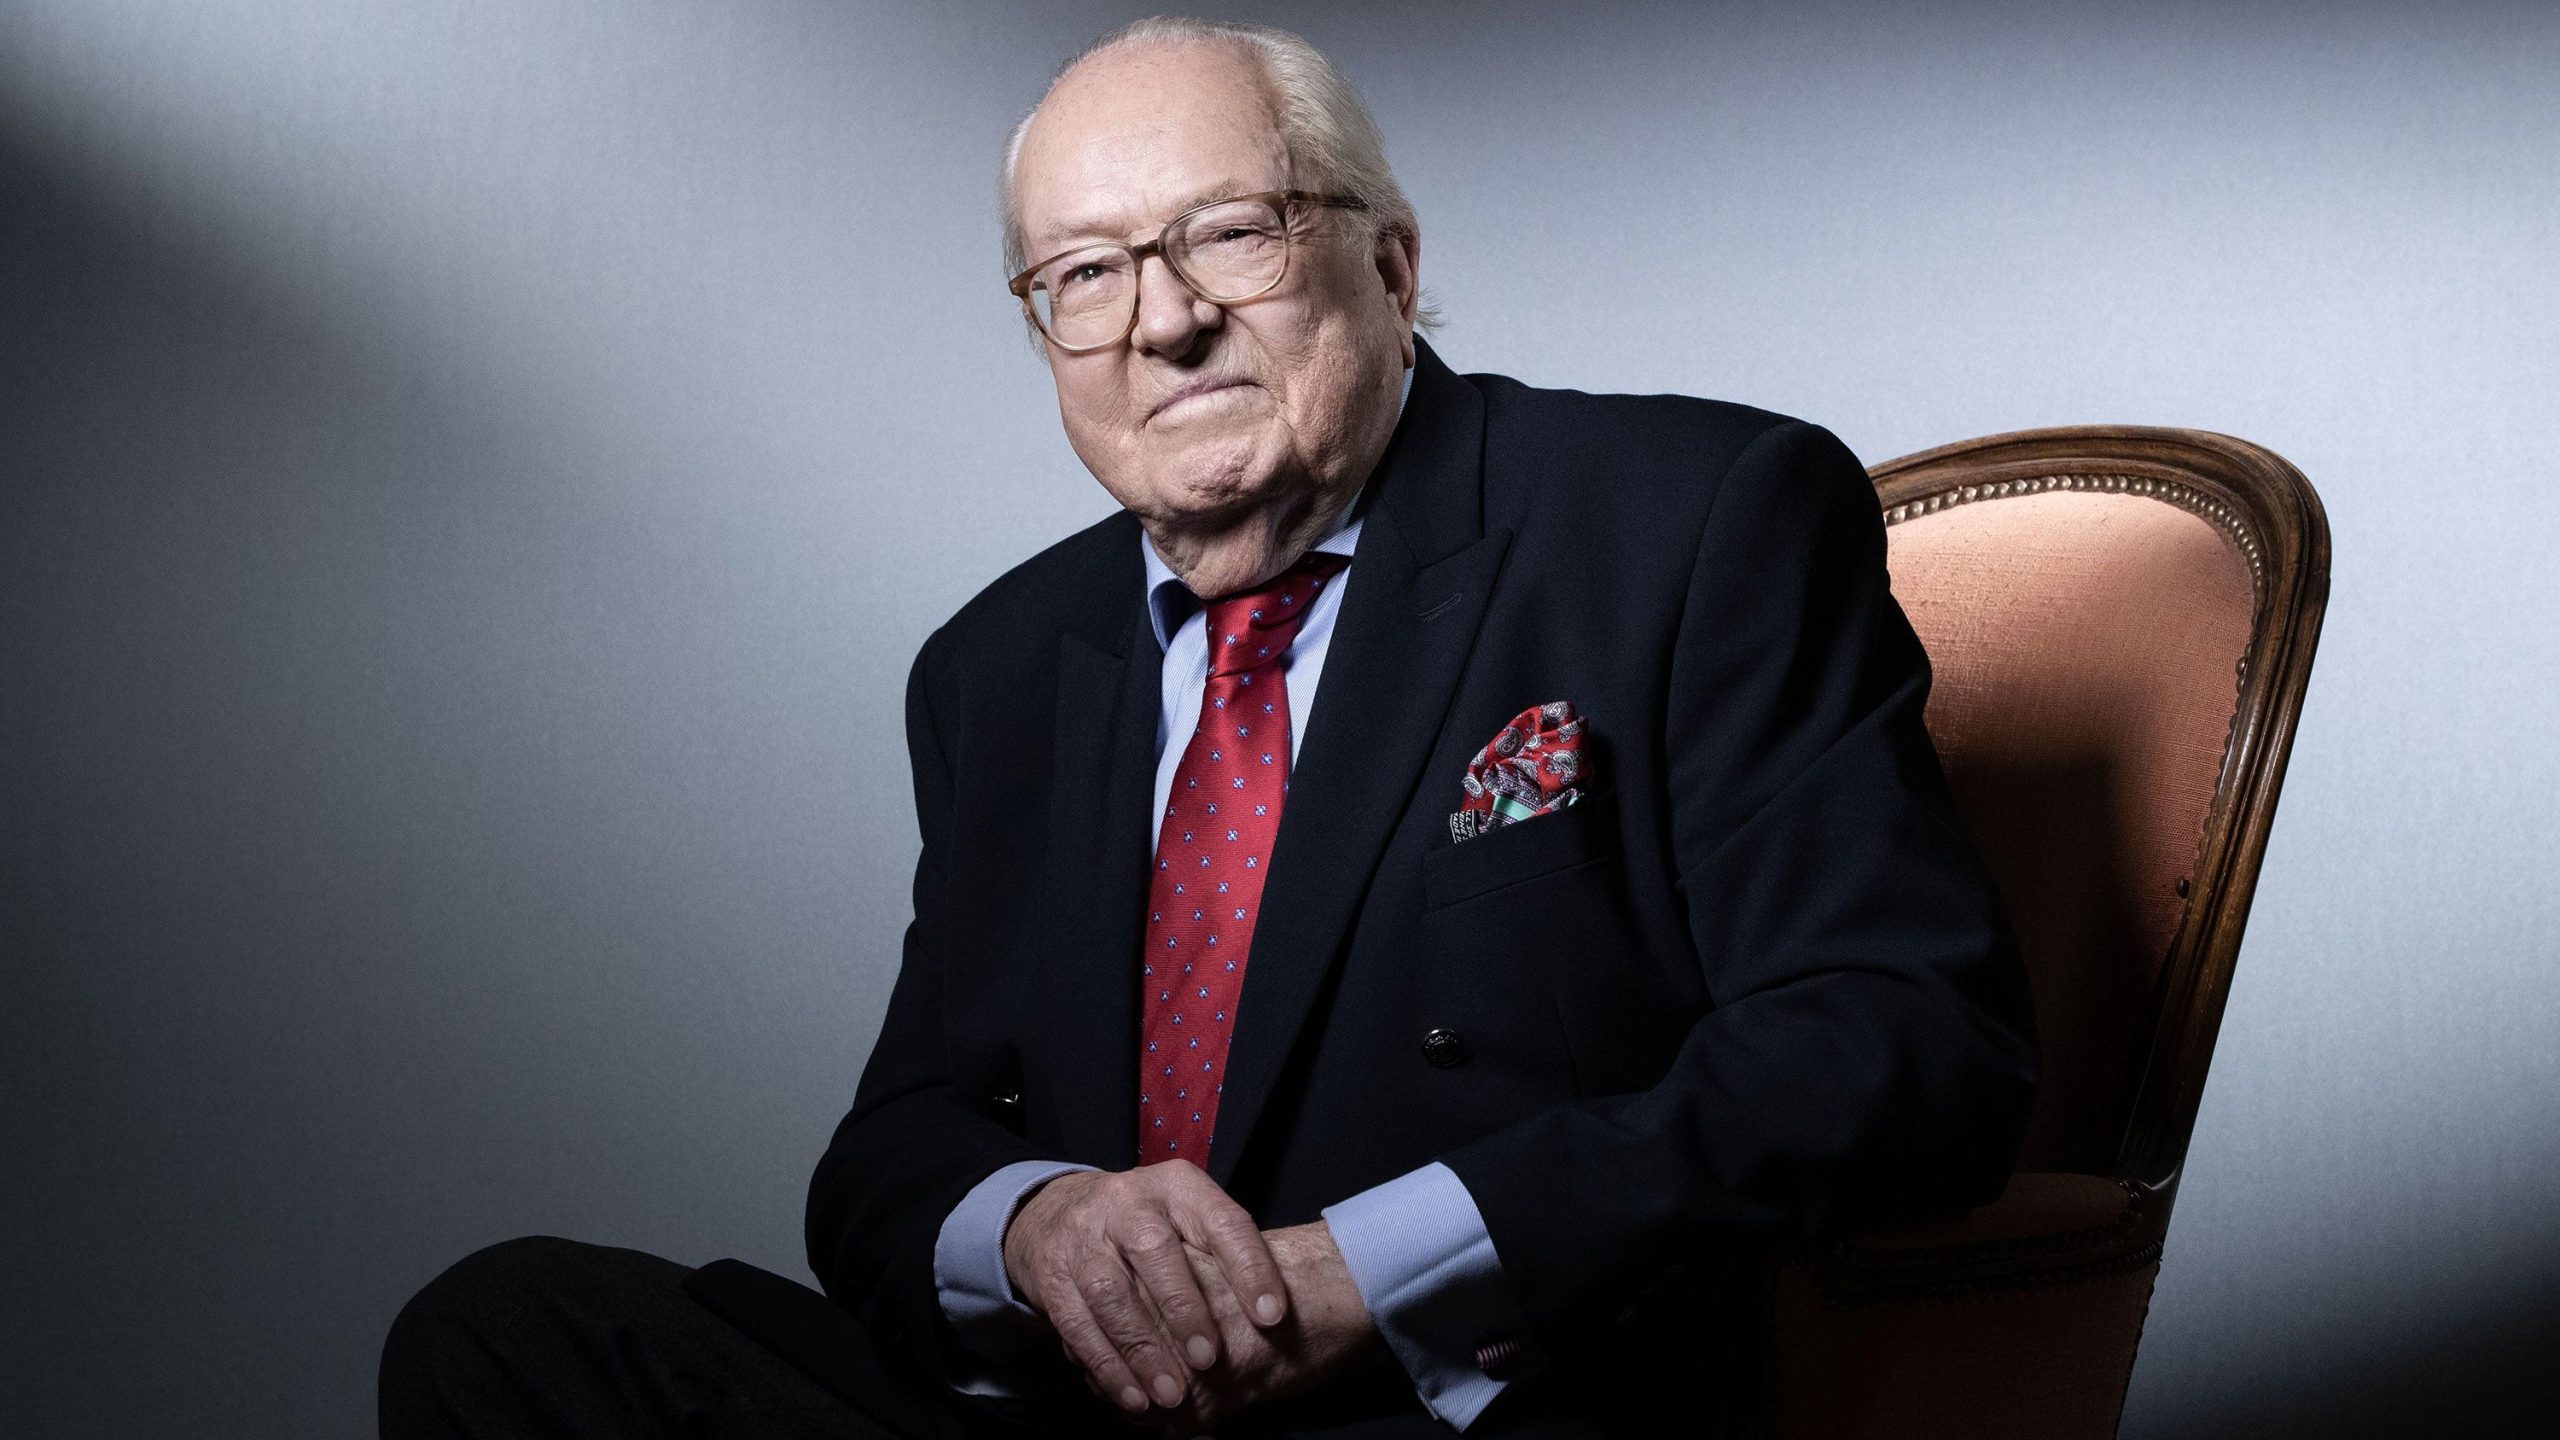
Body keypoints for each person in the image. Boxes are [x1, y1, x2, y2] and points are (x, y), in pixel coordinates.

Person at [380, 16, 2036, 1439]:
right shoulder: (997, 666)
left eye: (1228, 234)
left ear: (1391, 264)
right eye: (1085, 275)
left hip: (1459, 1399)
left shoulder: (1687, 519)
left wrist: (1373, 1271)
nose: (1162, 322)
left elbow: (1899, 1041)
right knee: (508, 1328)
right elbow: (892, 1155)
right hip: (1083, 1413)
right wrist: (1036, 1227)